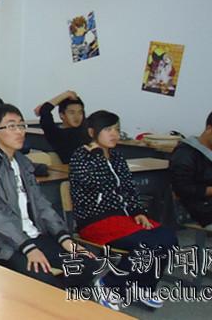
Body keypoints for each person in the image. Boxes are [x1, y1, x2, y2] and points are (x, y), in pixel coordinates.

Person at [0, 104, 108, 303]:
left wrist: (64, 238)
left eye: (21, 125)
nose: (19, 132)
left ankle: (62, 305)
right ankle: (52, 305)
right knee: (44, 280)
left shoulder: (23, 162)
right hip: (3, 242)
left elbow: (41, 204)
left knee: (88, 263)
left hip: (33, 235)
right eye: (11, 126)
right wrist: (27, 248)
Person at [69, 110, 177, 309]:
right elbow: (94, 183)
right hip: (95, 220)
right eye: (108, 129)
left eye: (117, 130)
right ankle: (110, 284)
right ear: (92, 132)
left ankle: (144, 286)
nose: (114, 134)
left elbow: (129, 188)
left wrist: (138, 212)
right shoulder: (81, 156)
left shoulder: (117, 157)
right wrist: (97, 155)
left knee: (168, 238)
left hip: (123, 218)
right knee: (148, 244)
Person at [33, 90, 89, 163]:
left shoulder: (87, 129)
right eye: (72, 113)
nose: (76, 116)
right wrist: (66, 94)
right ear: (62, 115)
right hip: (74, 167)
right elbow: (45, 110)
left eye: (80, 112)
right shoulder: (55, 133)